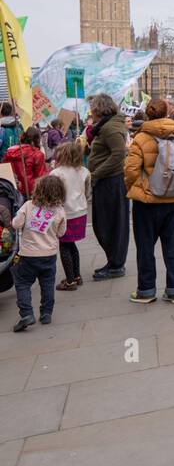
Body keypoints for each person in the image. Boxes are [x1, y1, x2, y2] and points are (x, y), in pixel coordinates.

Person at [124, 98, 174, 303]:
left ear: (148, 115)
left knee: (145, 247)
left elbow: (130, 171)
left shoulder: (140, 139)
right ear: (167, 113)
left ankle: (146, 291)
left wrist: (134, 187)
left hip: (146, 202)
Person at [11, 173, 67, 331]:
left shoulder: (28, 205)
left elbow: (16, 224)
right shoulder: (60, 211)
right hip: (49, 255)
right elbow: (61, 233)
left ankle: (27, 314)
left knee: (22, 284)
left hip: (28, 255)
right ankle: (46, 313)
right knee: (48, 284)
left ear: (38, 189)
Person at [86, 93, 130, 280]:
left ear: (98, 110)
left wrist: (95, 174)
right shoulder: (106, 126)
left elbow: (118, 155)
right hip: (107, 181)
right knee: (104, 223)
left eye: (92, 109)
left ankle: (116, 265)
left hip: (110, 181)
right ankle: (113, 261)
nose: (91, 112)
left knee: (111, 224)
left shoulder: (110, 128)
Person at [53, 141, 90, 290]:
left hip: (65, 213)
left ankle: (70, 281)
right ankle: (76, 275)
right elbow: (87, 193)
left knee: (64, 246)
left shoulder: (57, 173)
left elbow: (53, 194)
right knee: (71, 243)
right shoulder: (84, 171)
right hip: (80, 212)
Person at [5, 125, 48, 199]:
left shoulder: (10, 152)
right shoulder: (37, 154)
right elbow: (41, 177)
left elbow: (5, 170)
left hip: (11, 189)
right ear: (37, 140)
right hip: (31, 191)